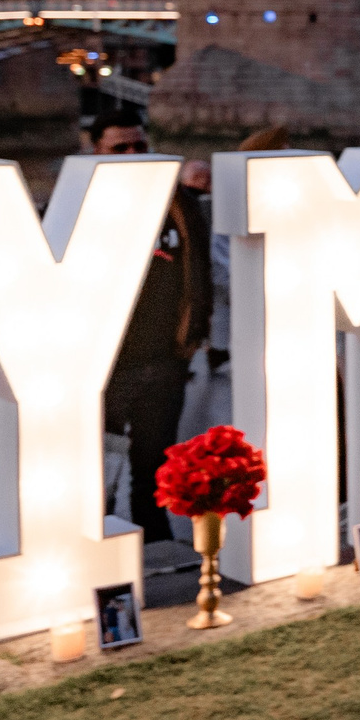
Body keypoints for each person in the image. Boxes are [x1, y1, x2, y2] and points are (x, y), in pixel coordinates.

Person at [92, 113, 211, 543]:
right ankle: (101, 562)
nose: (131, 156)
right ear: (95, 152)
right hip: (103, 368)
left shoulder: (178, 201)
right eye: (118, 148)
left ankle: (157, 550)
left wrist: (193, 338)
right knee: (95, 476)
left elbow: (198, 270)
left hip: (164, 361)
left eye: (139, 147)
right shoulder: (84, 204)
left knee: (155, 471)